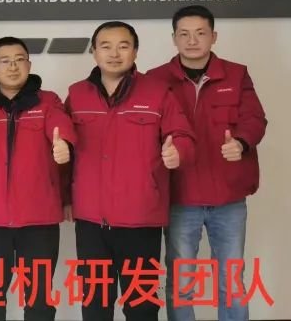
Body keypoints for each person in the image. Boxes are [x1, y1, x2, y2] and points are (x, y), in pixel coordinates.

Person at [65, 21, 196, 321]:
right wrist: (65, 197)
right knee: (95, 305)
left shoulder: (158, 92)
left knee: (142, 306)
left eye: (123, 46)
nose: (114, 54)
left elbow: (183, 135)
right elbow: (64, 148)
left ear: (135, 51)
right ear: (94, 51)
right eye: (106, 46)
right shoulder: (77, 94)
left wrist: (179, 152)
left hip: (140, 216)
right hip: (91, 219)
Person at [147, 5, 268, 321]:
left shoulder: (236, 74)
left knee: (231, 282)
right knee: (181, 283)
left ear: (213, 36)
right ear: (173, 38)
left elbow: (255, 118)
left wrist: (241, 143)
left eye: (200, 33)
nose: (192, 41)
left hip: (228, 196)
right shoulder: (155, 79)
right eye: (184, 34)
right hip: (180, 196)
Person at [0, 36, 76, 321]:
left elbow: (61, 128)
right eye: (5, 61)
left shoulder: (48, 101)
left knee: (39, 298)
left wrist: (64, 144)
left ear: (29, 65)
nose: (13, 67)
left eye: (19, 60)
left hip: (38, 218)